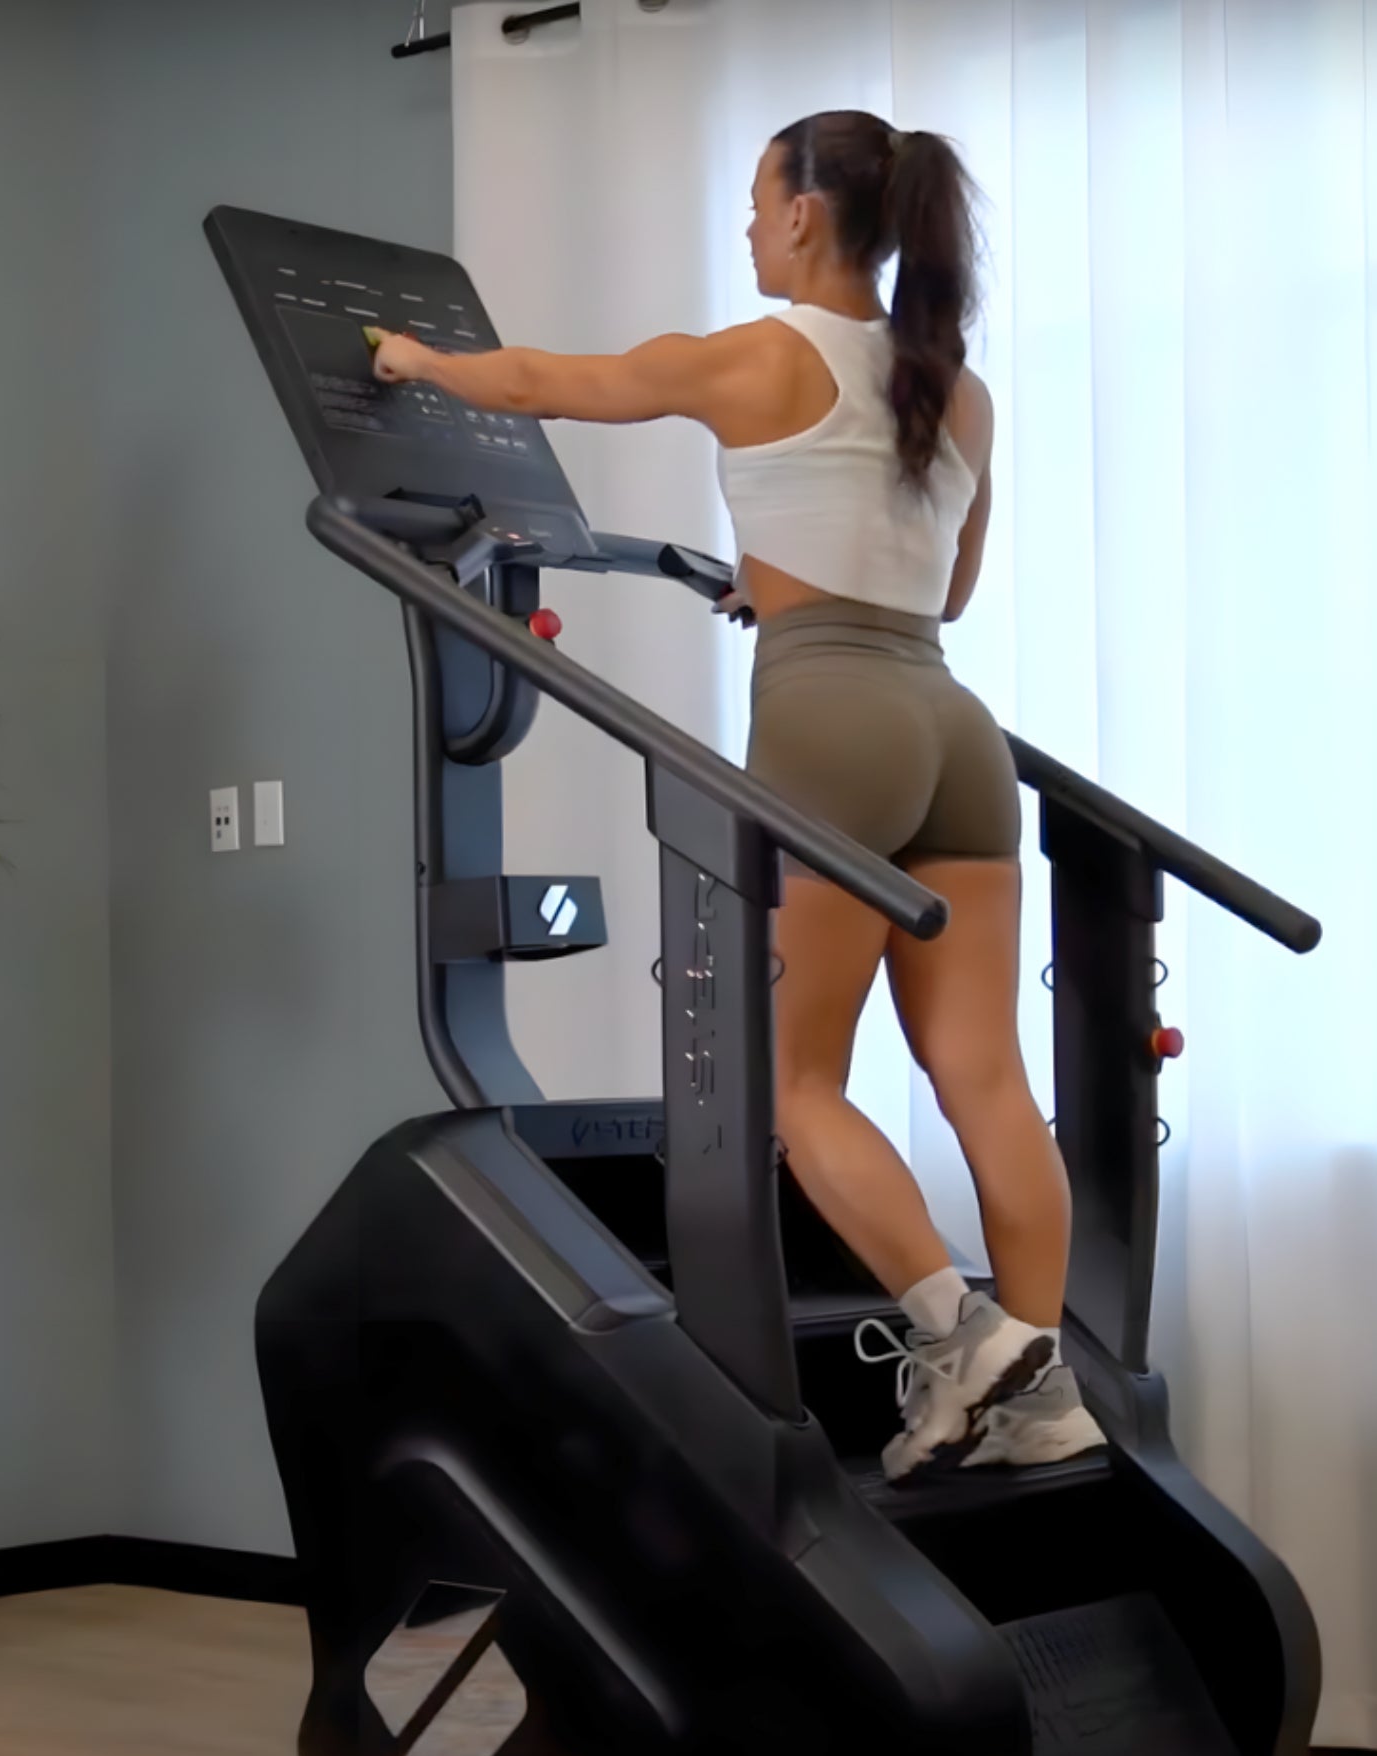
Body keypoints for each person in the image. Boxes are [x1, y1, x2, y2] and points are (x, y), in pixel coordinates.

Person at [370, 109, 1102, 1481]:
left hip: (831, 715)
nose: (750, 226)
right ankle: (1043, 1386)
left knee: (791, 1081)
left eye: (760, 203)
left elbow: (541, 383)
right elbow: (944, 588)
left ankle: (964, 1334)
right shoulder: (960, 389)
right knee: (987, 1077)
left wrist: (410, 359)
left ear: (809, 216)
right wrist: (792, 569)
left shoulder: (761, 355)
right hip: (953, 726)